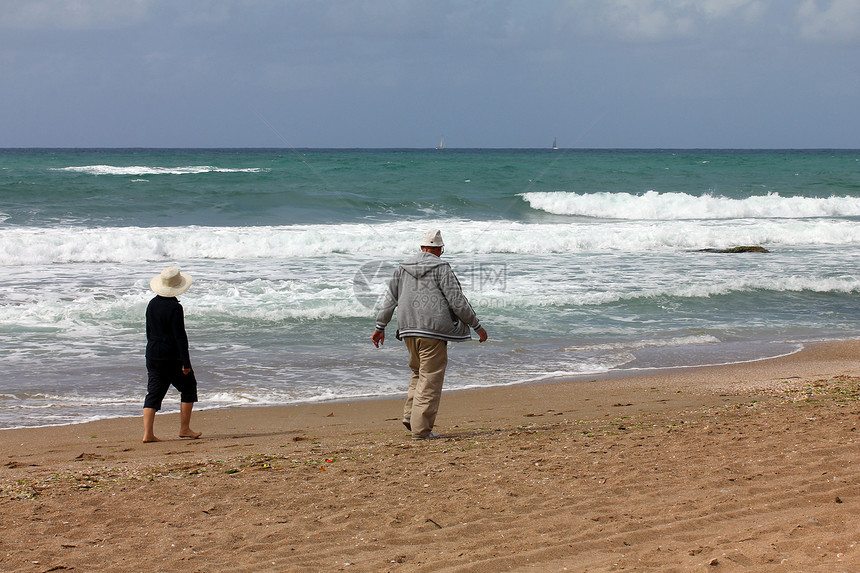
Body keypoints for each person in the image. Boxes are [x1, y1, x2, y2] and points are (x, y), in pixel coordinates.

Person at [372, 229, 488, 440]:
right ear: (440, 249)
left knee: (418, 372)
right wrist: (476, 325)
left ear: (421, 247)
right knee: (431, 378)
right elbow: (457, 301)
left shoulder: (402, 267)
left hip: (407, 330)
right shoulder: (441, 267)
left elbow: (389, 300)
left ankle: (410, 416)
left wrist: (380, 327)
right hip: (433, 332)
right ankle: (421, 429)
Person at [142, 266, 201, 443]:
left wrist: (153, 348)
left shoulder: (152, 304)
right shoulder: (175, 308)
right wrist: (186, 363)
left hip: (153, 352)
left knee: (153, 393)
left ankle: (148, 434)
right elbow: (180, 337)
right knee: (189, 387)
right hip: (171, 354)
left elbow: (148, 331)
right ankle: (184, 428)